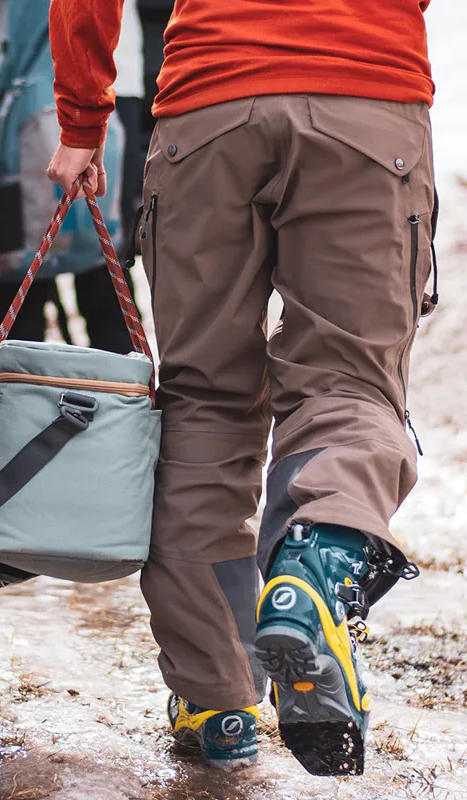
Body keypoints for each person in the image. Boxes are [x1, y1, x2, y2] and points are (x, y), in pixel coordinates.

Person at [47, 0, 436, 776]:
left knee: (201, 404)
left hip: (208, 113)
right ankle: (315, 563)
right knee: (349, 382)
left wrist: (82, 116)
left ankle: (217, 700)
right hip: (367, 104)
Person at [0, 0, 145, 353]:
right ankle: (118, 400)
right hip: (100, 79)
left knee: (26, 267)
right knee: (100, 266)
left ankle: (18, 399)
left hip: (35, 83)